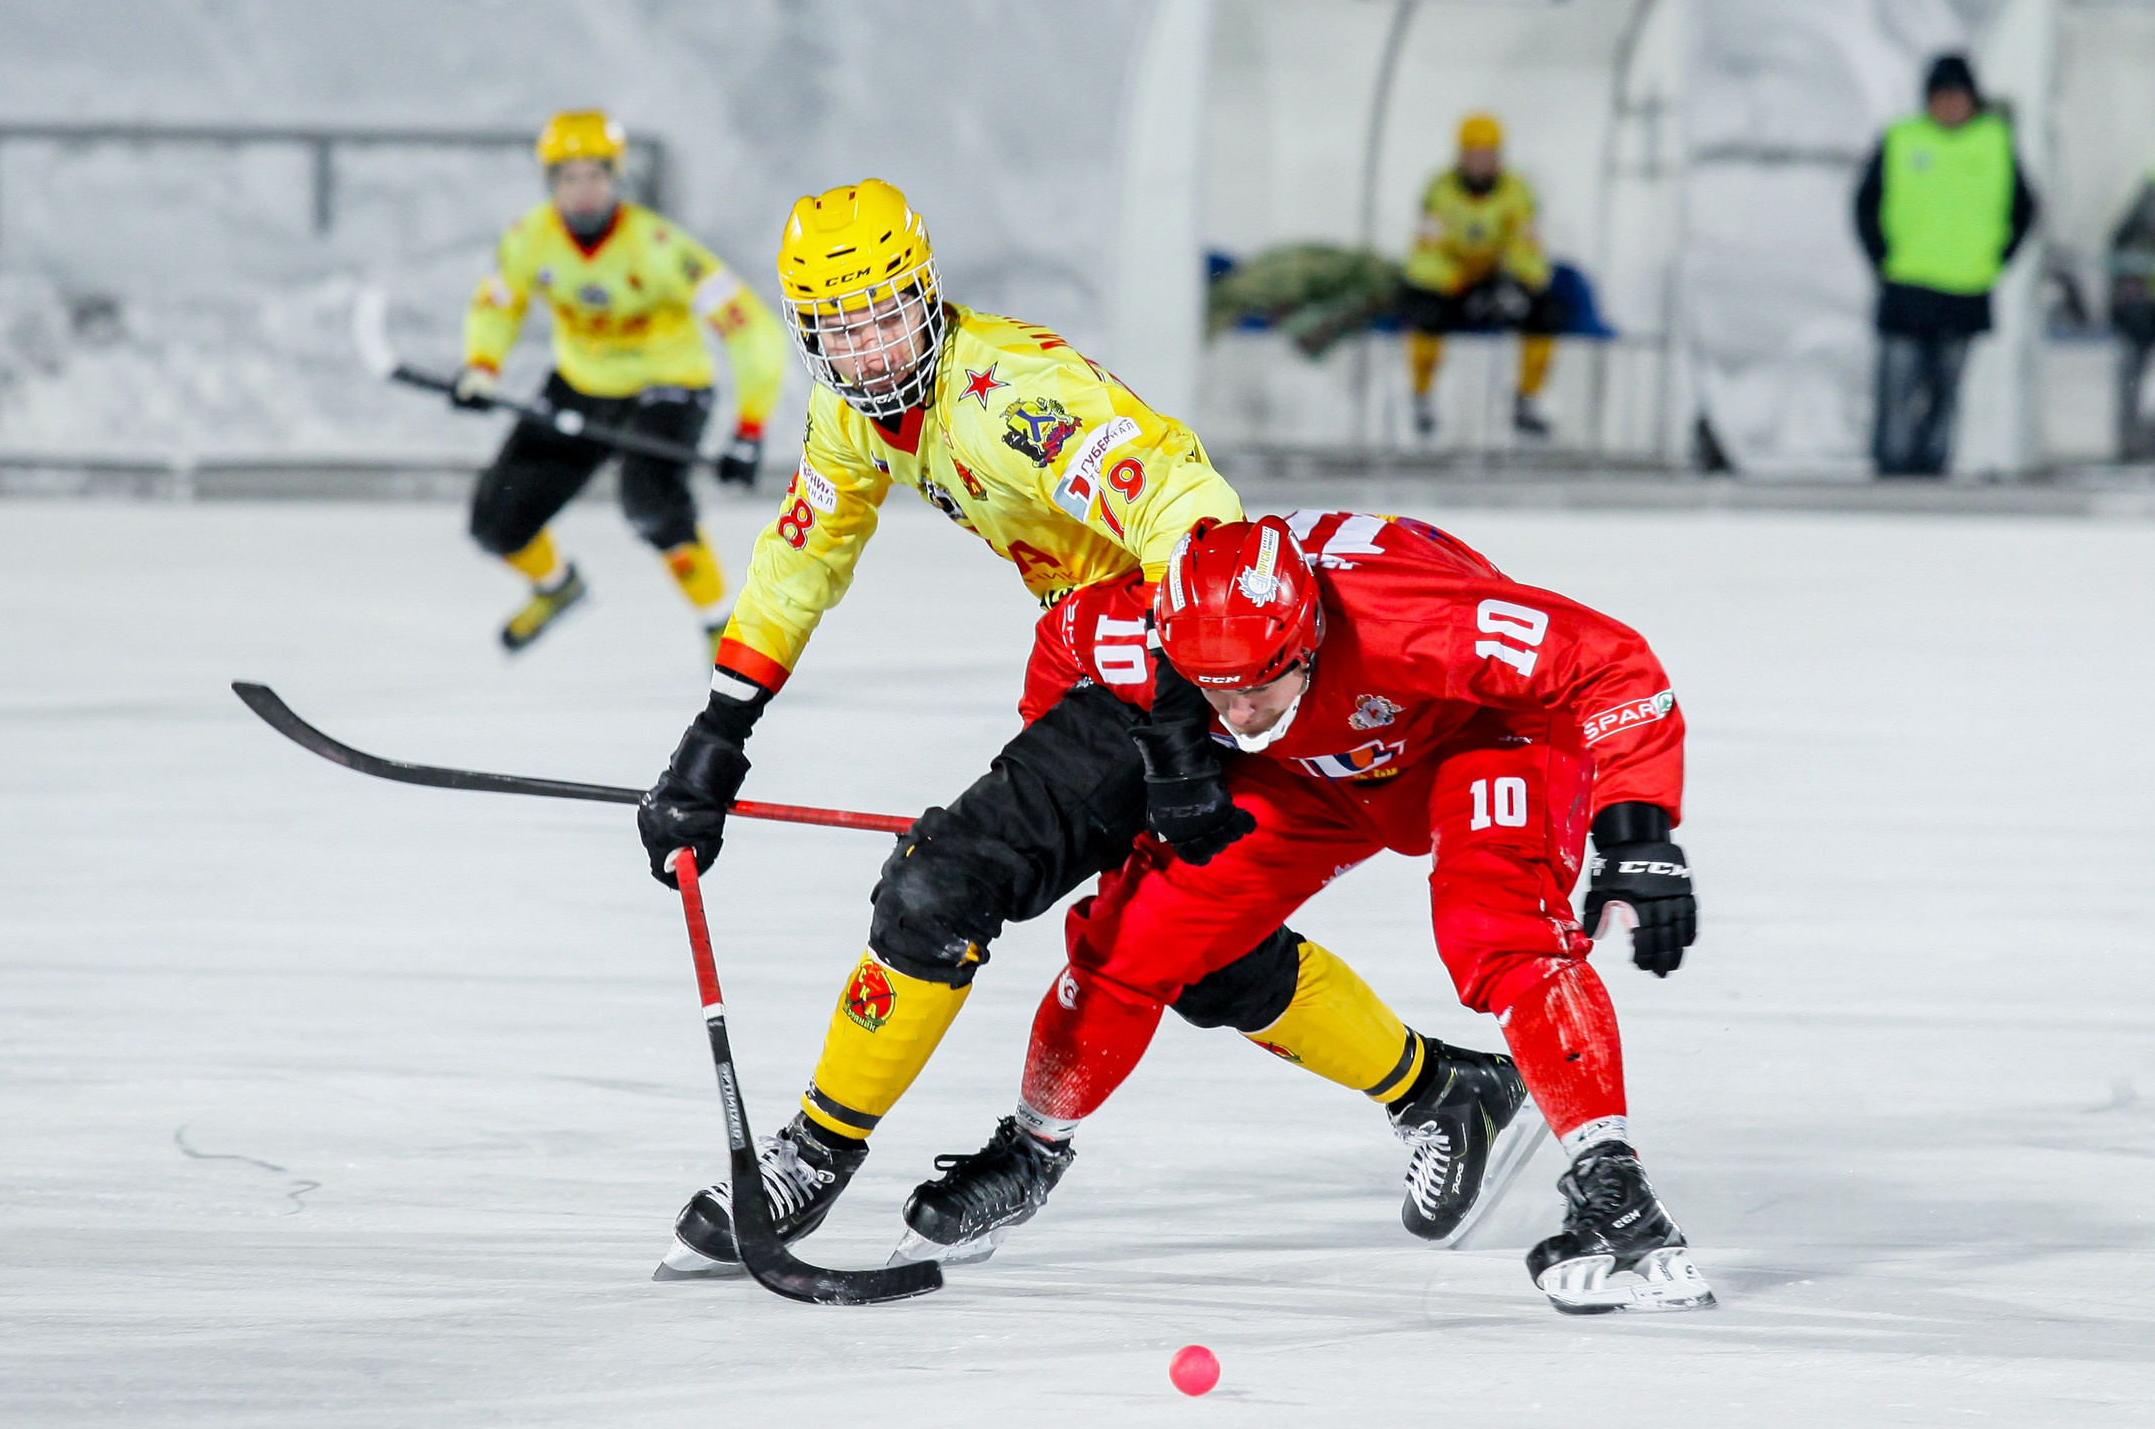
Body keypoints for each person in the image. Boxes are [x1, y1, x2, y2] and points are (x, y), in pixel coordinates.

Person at [636, 179, 1535, 1278]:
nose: (870, 355)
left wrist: (1169, 721)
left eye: (885, 319)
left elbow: (1193, 508)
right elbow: (803, 553)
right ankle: (1449, 1092)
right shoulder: (851, 412)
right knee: (1192, 947)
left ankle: (815, 1156)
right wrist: (722, 729)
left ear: (925, 301)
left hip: (1172, 652)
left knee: (940, 885)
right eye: (840, 332)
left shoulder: (1014, 399)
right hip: (1088, 652)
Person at [910, 512, 1715, 1316]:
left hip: (1477, 730)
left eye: (1258, 683)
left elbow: (1610, 662)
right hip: (1309, 772)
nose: (1238, 714)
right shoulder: (1147, 625)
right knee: (1137, 933)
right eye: (1212, 690)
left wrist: (1639, 831)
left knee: (1496, 924)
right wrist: (1097, 795)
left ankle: (1613, 1182)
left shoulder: (1406, 617)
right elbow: (1062, 649)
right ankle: (1032, 1150)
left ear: (1312, 635)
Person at [455, 111, 786, 652]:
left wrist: (750, 427)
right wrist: (482, 366)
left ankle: (722, 632)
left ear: (616, 177)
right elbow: (498, 305)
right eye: (569, 177)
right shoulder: (529, 240)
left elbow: (752, 330)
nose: (584, 192)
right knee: (497, 522)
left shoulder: (658, 247)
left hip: (668, 386)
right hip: (581, 386)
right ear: (550, 182)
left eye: (596, 175)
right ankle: (558, 588)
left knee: (653, 503)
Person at [1853, 53, 2036, 479]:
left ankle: (1932, 469)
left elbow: (2024, 210)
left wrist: (1994, 259)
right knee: (1897, 389)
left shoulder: (1994, 142)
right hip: (1907, 285)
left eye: (1958, 97)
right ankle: (1892, 469)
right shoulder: (1902, 139)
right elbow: (1865, 205)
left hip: (1965, 288)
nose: (1951, 106)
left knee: (1947, 391)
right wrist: (1882, 257)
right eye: (1942, 97)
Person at [1401, 113, 1562, 441]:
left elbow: (1528, 248)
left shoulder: (1517, 192)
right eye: (1474, 155)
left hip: (1494, 282)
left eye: (1488, 155)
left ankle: (1527, 399)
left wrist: (1515, 283)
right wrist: (1457, 282)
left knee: (1546, 312)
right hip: (1452, 284)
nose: (1481, 163)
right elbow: (1426, 254)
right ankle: (1422, 396)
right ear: (1460, 156)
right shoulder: (1440, 192)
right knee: (1424, 313)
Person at [2107, 169, 2155, 461]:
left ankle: (2132, 441)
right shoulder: (2146, 198)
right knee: (2131, 375)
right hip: (2140, 305)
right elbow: (2122, 246)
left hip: (2137, 302)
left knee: (2131, 375)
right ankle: (2131, 442)